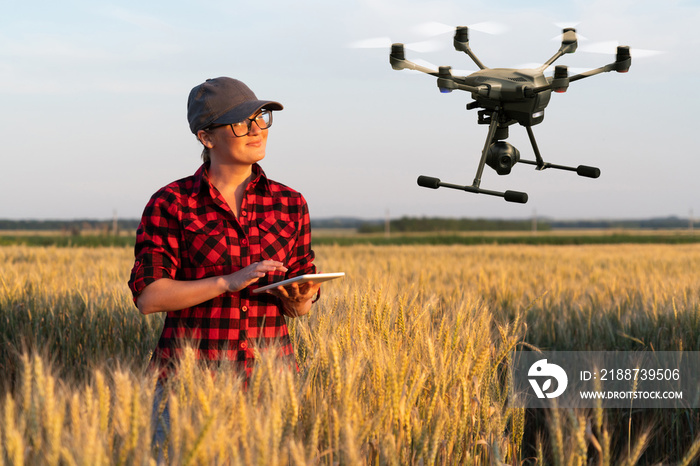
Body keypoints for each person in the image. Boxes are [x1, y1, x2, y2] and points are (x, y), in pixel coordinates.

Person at [128, 77, 321, 381]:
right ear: (207, 138)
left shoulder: (290, 203)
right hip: (190, 384)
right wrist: (228, 282)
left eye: (259, 119)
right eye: (241, 123)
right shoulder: (172, 202)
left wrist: (298, 297)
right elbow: (149, 298)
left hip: (271, 384)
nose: (257, 130)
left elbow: (298, 310)